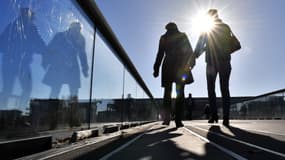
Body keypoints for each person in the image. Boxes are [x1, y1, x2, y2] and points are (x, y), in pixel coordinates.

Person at [194, 9, 239, 126]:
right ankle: (226, 117)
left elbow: (199, 45)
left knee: (211, 89)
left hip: (211, 63)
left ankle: (214, 115)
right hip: (225, 61)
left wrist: (194, 57)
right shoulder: (226, 27)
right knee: (225, 89)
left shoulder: (206, 28)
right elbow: (233, 43)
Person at [0, 8, 46, 110]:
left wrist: (46, 51)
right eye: (28, 16)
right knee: (11, 88)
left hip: (17, 63)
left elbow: (39, 44)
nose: (30, 18)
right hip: (12, 63)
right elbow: (2, 42)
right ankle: (9, 114)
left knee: (19, 89)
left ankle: (18, 113)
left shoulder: (25, 27)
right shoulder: (14, 27)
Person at [153, 22, 195, 128]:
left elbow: (160, 53)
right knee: (180, 93)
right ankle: (178, 119)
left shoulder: (163, 37)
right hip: (180, 66)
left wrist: (156, 68)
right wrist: (191, 63)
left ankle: (167, 119)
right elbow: (189, 51)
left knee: (167, 92)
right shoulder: (182, 35)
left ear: (166, 28)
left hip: (167, 66)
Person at [42, 22, 89, 98]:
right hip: (59, 65)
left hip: (72, 66)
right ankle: (52, 106)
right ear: (70, 29)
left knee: (74, 90)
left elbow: (82, 54)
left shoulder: (81, 39)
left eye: (78, 30)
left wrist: (85, 69)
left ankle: (73, 107)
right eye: (75, 29)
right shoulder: (60, 36)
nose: (76, 32)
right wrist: (46, 60)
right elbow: (50, 48)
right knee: (55, 88)